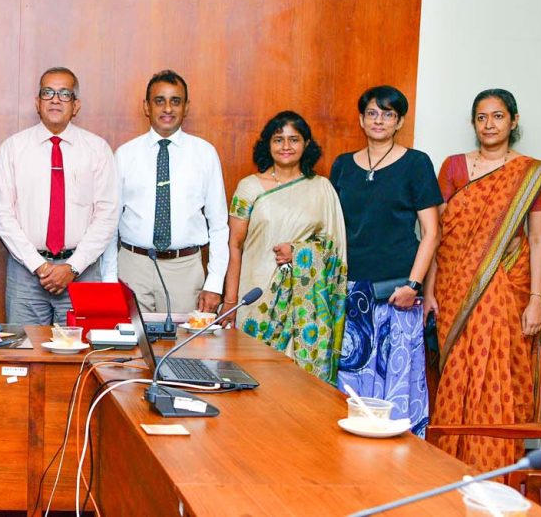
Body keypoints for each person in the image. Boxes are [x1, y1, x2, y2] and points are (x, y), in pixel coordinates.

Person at [424, 89, 541, 470]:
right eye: (482, 117)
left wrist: (537, 299)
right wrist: (430, 290)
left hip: (505, 283)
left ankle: (493, 467)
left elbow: (539, 238)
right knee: (456, 372)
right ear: (473, 123)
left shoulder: (531, 174)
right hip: (453, 285)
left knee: (495, 372)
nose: (489, 124)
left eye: (498, 116)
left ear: (513, 121)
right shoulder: (453, 166)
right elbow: (438, 233)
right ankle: (447, 466)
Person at [331, 85, 442, 436]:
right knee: (350, 380)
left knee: (396, 381)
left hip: (398, 292)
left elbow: (431, 232)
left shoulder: (416, 164)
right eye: (372, 113)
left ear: (400, 121)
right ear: (361, 119)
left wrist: (414, 285)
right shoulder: (343, 166)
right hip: (351, 292)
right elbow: (332, 227)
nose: (379, 120)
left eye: (388, 114)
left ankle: (398, 458)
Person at [0, 68, 119, 325]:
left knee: (83, 348)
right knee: (25, 347)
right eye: (48, 92)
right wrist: (39, 266)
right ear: (37, 102)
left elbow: (107, 216)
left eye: (64, 94)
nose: (55, 99)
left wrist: (72, 267)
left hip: (81, 272)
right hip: (26, 273)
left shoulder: (97, 149)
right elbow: (2, 215)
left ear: (76, 105)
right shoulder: (13, 148)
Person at [227, 111, 347, 383]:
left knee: (297, 385)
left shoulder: (322, 188)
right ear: (268, 144)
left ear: (306, 144)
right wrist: (231, 302)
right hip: (256, 294)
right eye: (278, 139)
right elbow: (234, 245)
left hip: (305, 307)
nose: (286, 146)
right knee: (253, 375)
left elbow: (335, 249)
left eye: (294, 139)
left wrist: (300, 252)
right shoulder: (249, 187)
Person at [101, 70, 229, 315]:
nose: (167, 108)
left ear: (186, 107)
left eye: (175, 101)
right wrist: (108, 279)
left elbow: (219, 224)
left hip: (184, 269)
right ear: (146, 107)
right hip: (132, 267)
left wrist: (214, 283)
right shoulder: (125, 155)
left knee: (184, 339)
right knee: (130, 339)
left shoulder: (205, 154)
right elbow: (110, 222)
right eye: (159, 101)